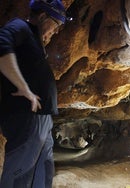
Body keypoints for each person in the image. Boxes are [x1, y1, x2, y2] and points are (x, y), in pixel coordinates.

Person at [0, 0, 67, 187]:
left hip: (42, 118)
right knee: (20, 175)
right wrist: (23, 87)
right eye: (54, 26)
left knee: (43, 172)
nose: (54, 32)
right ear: (43, 16)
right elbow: (1, 44)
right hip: (26, 116)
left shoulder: (34, 40)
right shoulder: (20, 26)